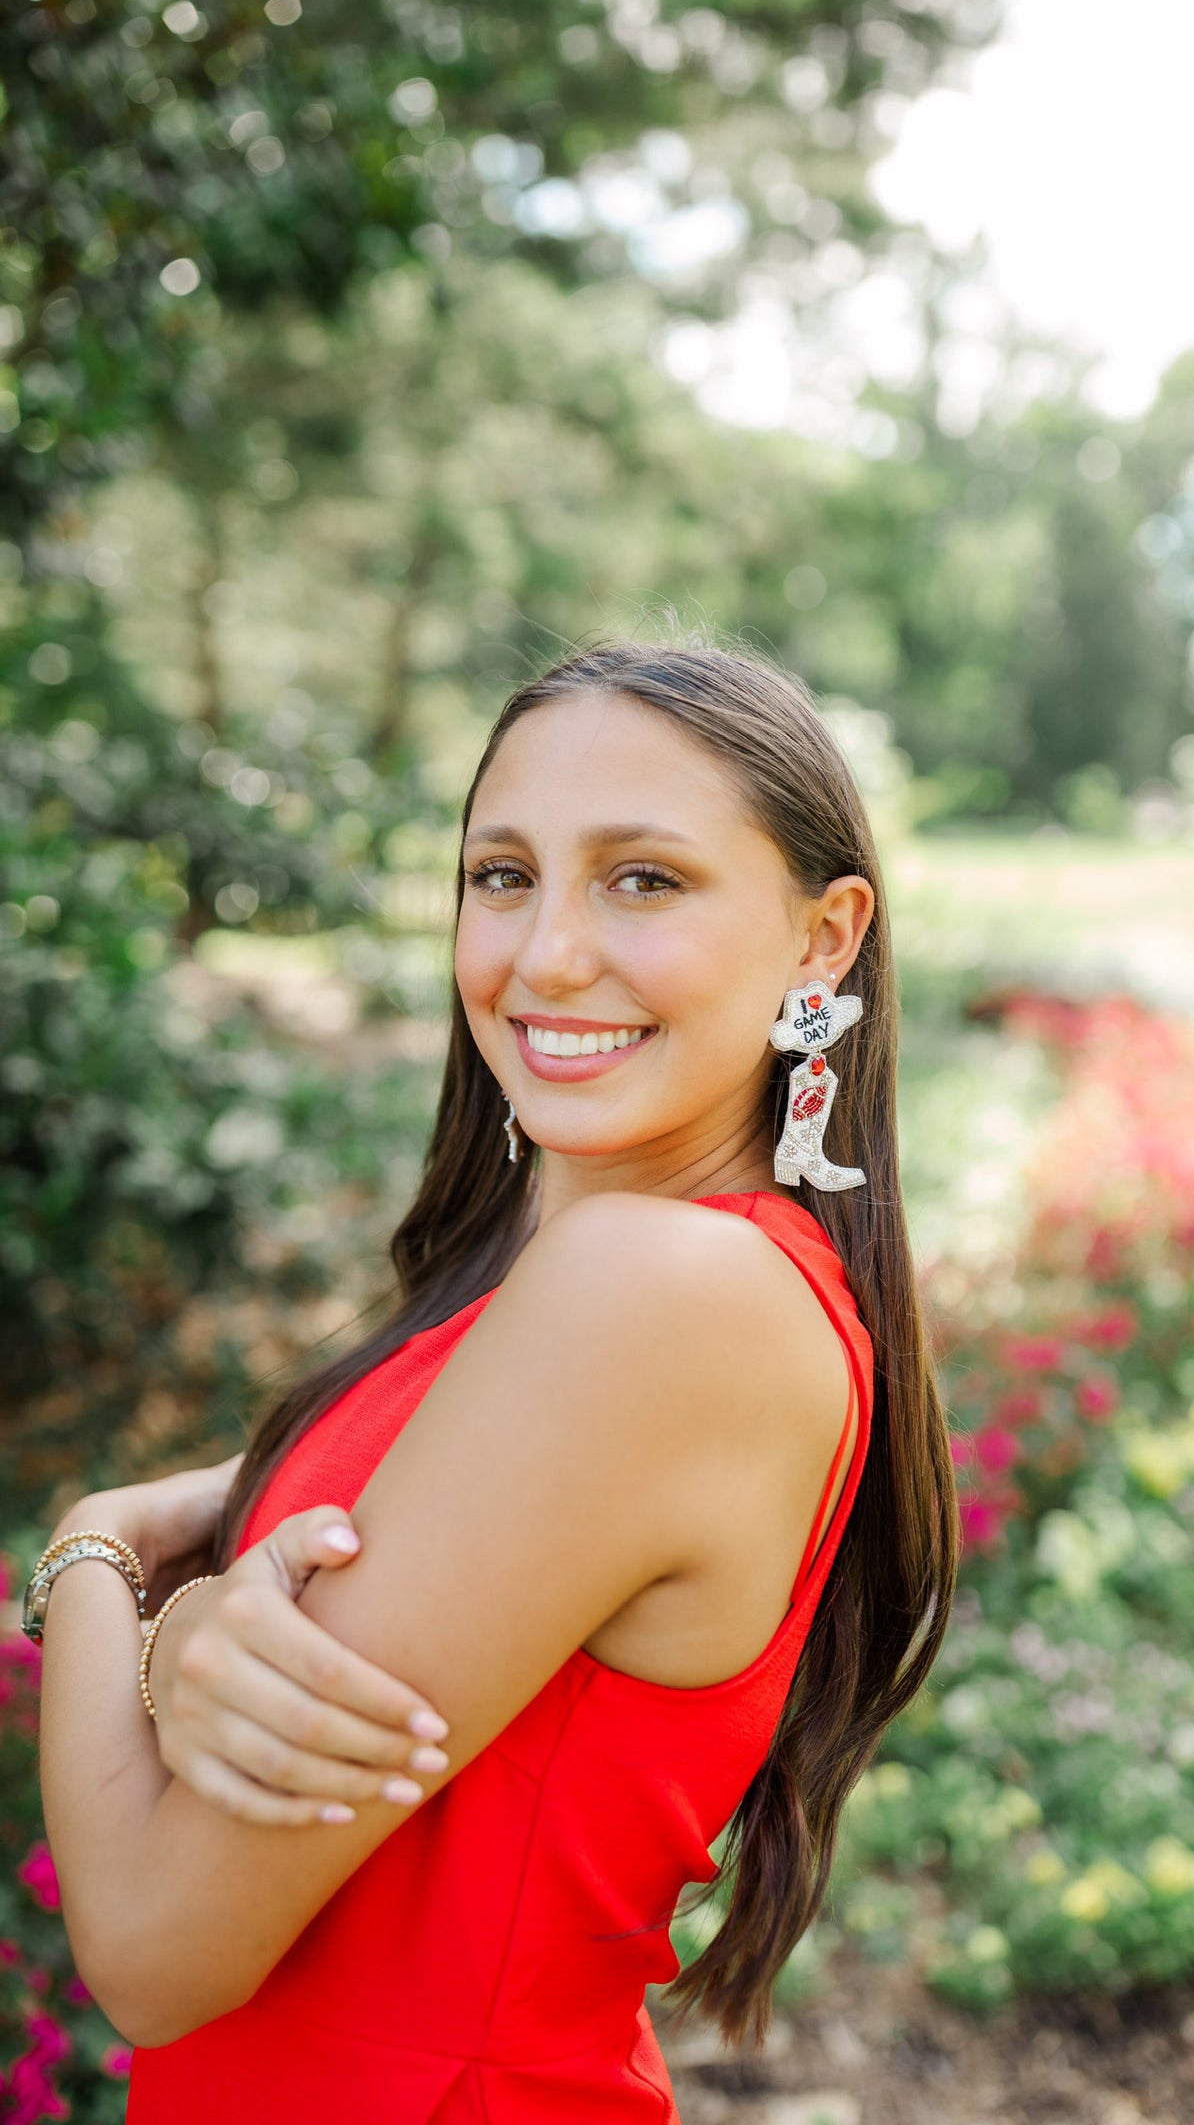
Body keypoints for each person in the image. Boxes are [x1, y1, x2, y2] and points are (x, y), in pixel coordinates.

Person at [31, 642, 958, 2123]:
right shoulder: (574, 1279)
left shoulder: (655, 1294)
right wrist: (189, 1620)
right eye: (502, 875)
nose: (546, 955)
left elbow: (151, 1947)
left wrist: (93, 1550)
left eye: (643, 879)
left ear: (821, 939)